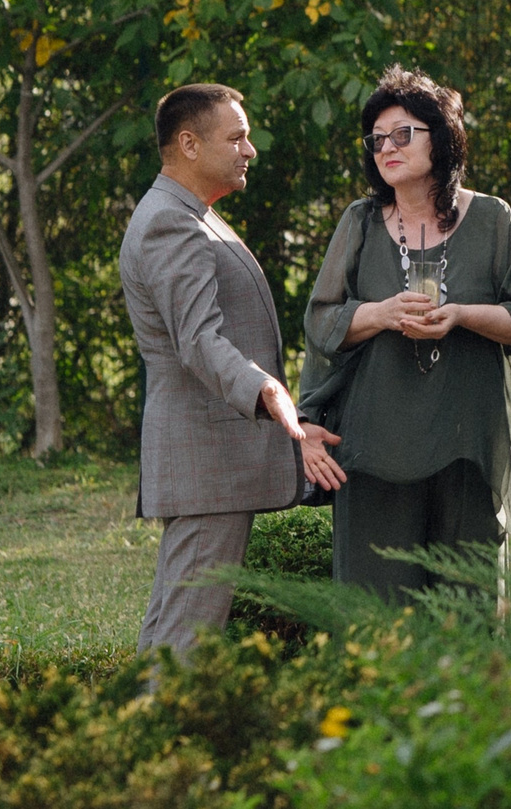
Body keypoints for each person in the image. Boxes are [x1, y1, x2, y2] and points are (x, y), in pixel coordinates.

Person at [299, 67, 511, 599]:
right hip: (372, 447)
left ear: (444, 137)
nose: (386, 148)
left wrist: (460, 315)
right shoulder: (360, 223)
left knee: (468, 608)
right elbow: (322, 320)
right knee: (376, 611)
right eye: (376, 140)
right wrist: (382, 314)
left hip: (468, 443)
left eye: (403, 134)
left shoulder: (493, 219)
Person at [120, 83, 345, 657]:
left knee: (177, 631)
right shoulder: (171, 222)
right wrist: (268, 390)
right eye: (237, 137)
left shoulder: (193, 215)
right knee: (184, 639)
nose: (251, 150)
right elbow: (199, 339)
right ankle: (157, 744)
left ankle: (144, 740)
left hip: (213, 463)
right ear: (189, 144)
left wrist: (283, 424)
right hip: (205, 467)